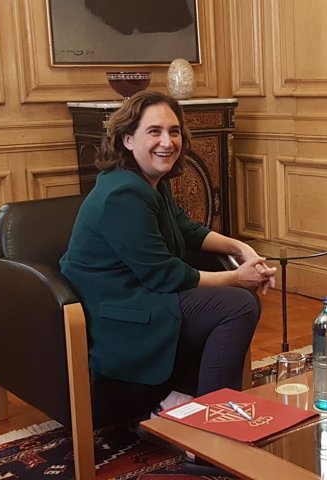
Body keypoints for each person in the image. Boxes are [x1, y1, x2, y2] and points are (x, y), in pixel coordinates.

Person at [60, 91, 276, 423]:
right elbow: (164, 275)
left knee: (236, 299)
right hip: (118, 313)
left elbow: (186, 228)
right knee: (238, 303)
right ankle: (213, 428)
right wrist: (237, 277)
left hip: (139, 296)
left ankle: (184, 403)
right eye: (155, 131)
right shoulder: (124, 193)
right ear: (128, 139)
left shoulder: (146, 182)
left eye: (174, 131)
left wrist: (241, 248)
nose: (167, 141)